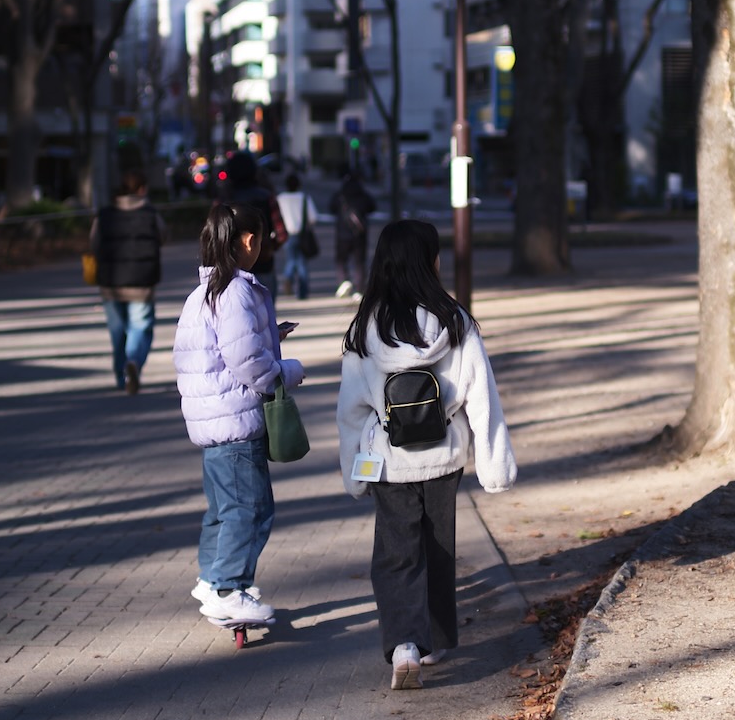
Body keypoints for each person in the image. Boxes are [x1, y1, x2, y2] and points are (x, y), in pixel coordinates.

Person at [336, 217, 516, 690]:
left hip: (388, 459)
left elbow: (350, 409)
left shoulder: (366, 328)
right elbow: (482, 397)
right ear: (431, 263)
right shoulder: (454, 322)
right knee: (438, 548)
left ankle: (404, 644)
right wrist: (494, 466)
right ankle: (432, 641)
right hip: (443, 456)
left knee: (396, 553)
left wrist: (353, 472)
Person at [173, 200, 304, 630]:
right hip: (236, 423)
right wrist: (289, 371)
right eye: (261, 240)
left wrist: (270, 335)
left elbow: (219, 348)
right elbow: (249, 363)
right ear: (248, 241)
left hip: (214, 423)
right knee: (251, 509)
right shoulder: (236, 292)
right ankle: (229, 589)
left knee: (222, 511)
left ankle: (211, 580)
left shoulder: (203, 292)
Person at [93, 162, 165, 393]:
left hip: (110, 283)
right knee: (140, 327)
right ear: (142, 189)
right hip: (142, 282)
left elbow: (94, 243)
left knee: (117, 332)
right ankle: (132, 362)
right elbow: (163, 236)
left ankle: (120, 375)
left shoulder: (105, 214)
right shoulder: (150, 214)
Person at [332, 161, 374, 298]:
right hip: (359, 233)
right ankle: (359, 290)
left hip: (343, 233)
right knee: (359, 262)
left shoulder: (341, 194)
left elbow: (331, 207)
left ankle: (344, 280)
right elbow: (372, 206)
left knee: (341, 260)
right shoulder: (362, 193)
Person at [275, 170, 316, 301]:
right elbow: (313, 218)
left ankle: (288, 277)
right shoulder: (304, 198)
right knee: (301, 262)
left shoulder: (280, 198)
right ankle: (303, 291)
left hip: (286, 234)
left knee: (291, 259)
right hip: (301, 233)